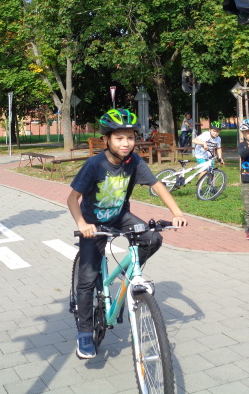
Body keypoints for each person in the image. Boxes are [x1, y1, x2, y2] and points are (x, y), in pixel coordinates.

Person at [67, 108, 188, 360]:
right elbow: (72, 199)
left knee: (152, 237)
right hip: (93, 223)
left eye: (130, 137)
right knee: (87, 280)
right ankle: (85, 333)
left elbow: (157, 185)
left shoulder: (135, 161)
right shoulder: (94, 165)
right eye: (119, 138)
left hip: (120, 215)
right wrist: (82, 223)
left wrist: (176, 212)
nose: (126, 143)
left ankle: (129, 273)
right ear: (107, 140)